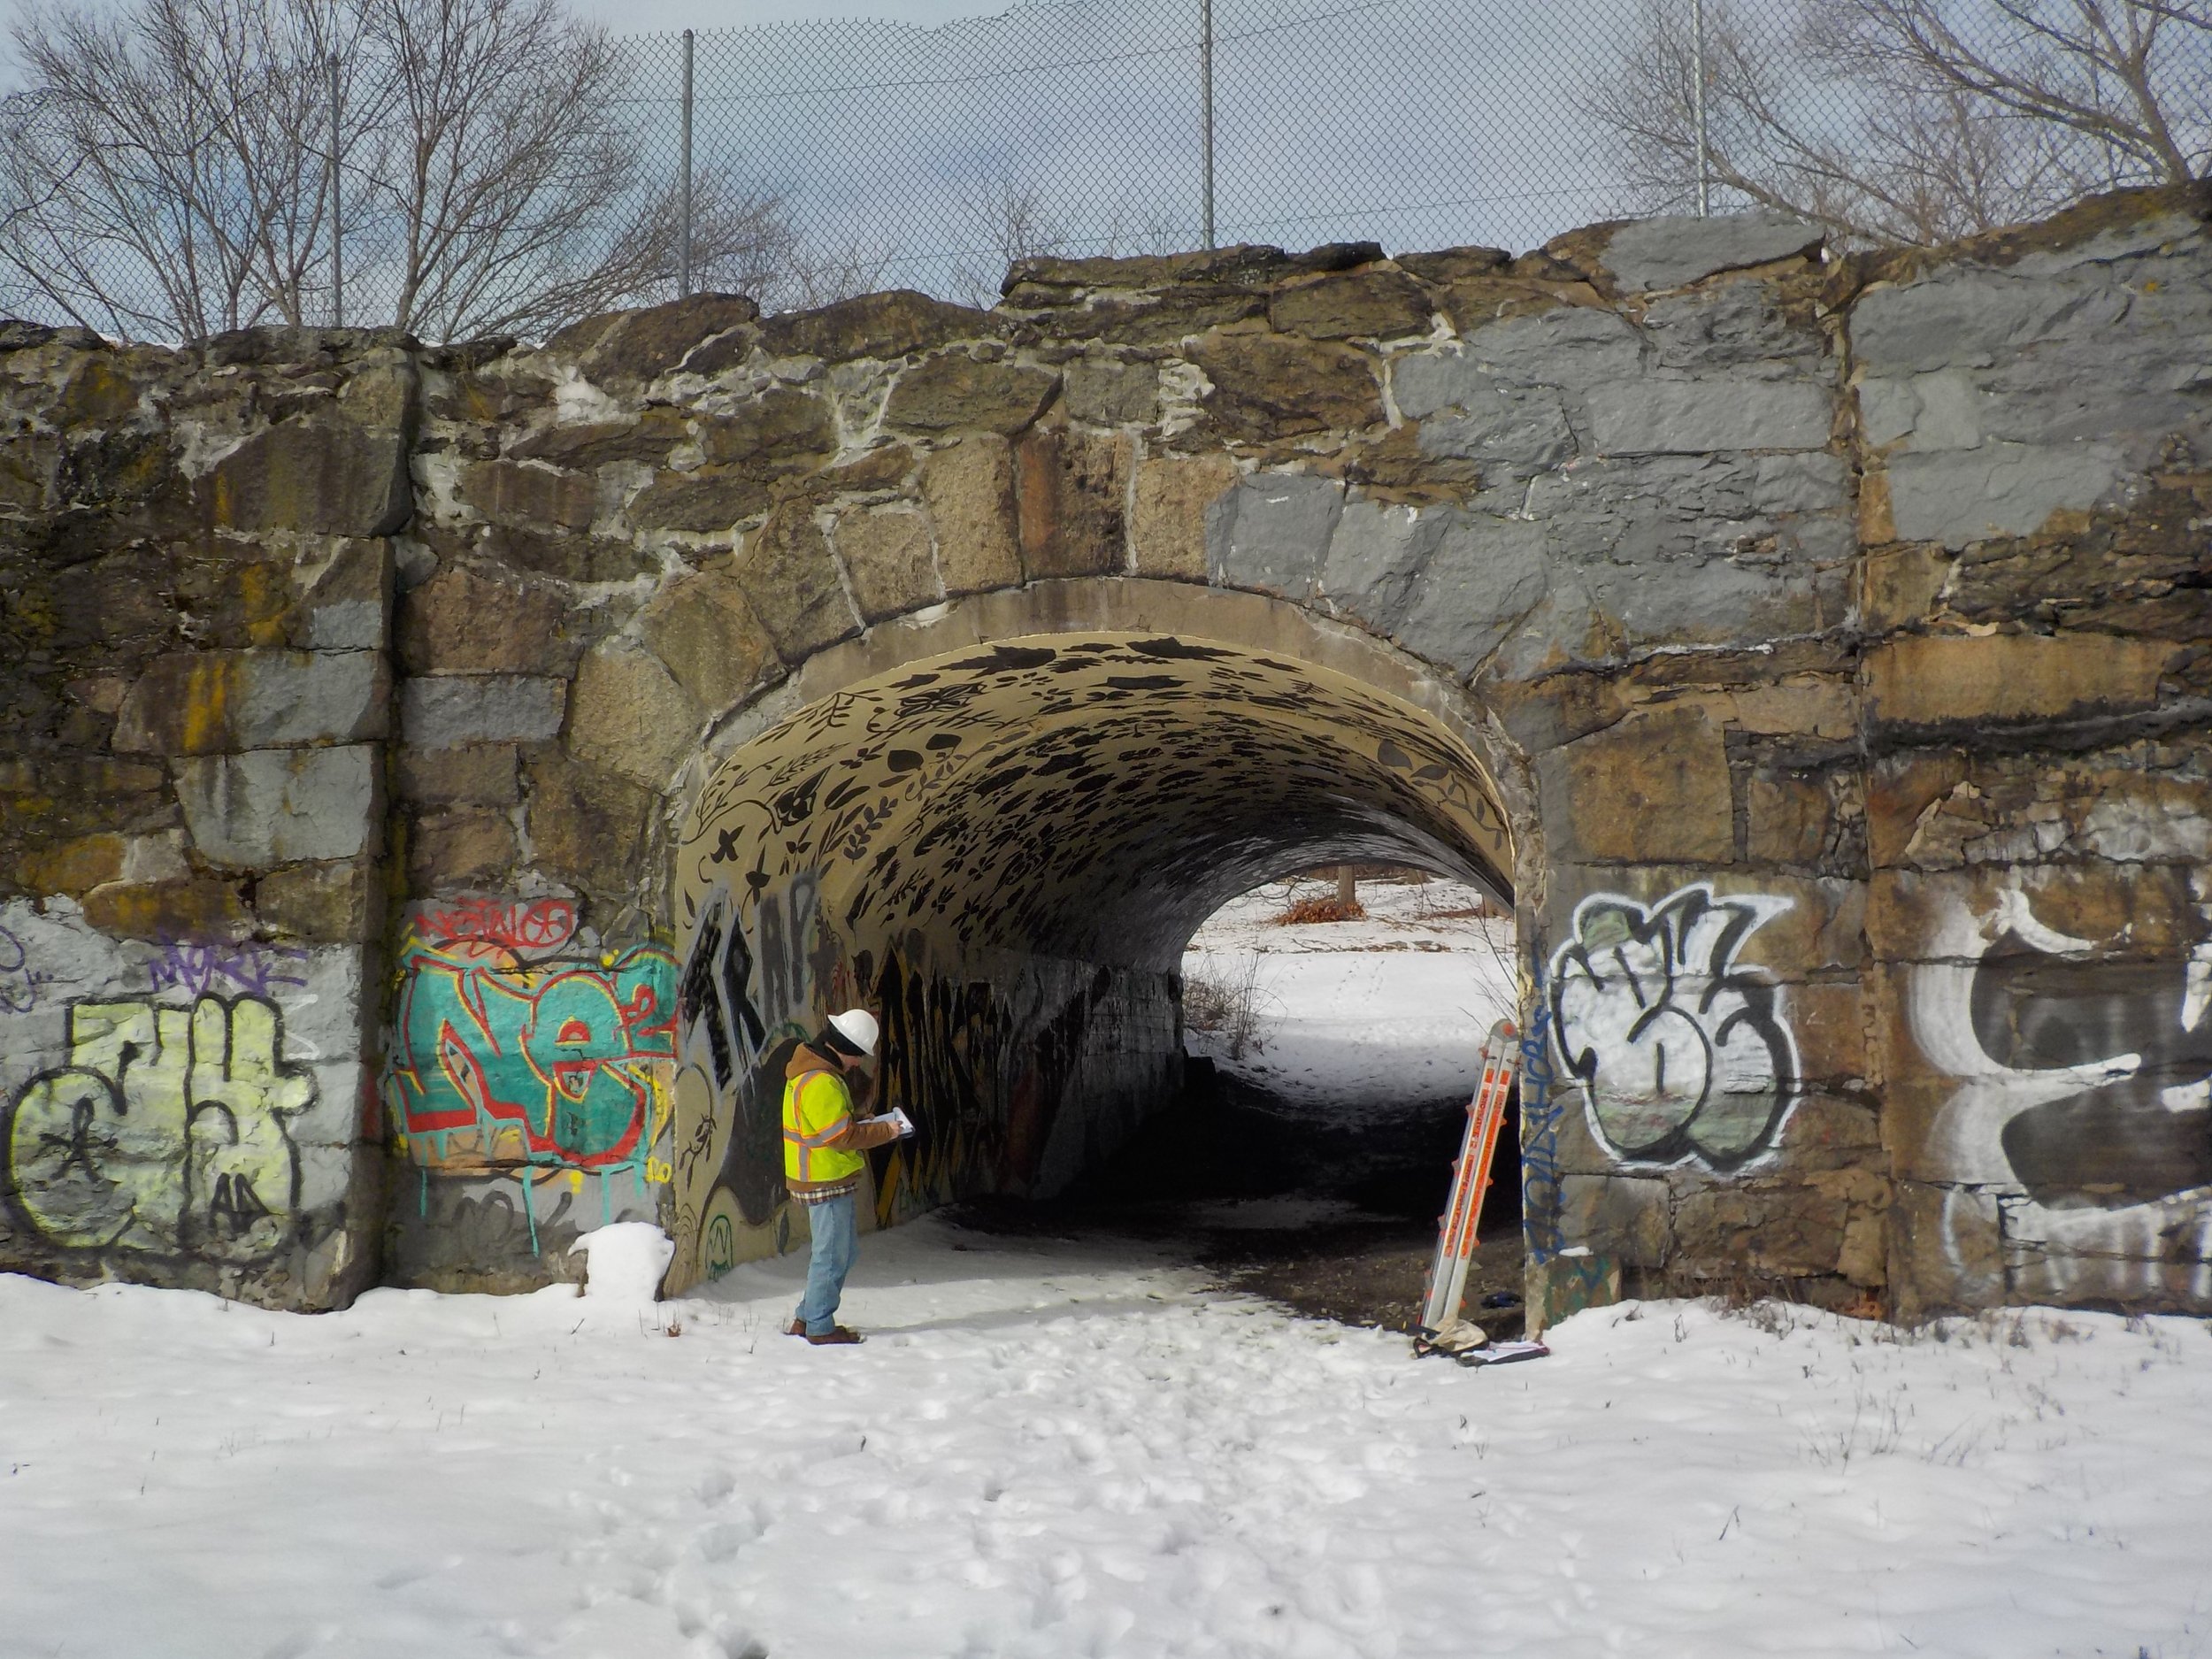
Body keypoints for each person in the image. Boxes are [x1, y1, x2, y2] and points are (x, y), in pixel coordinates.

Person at [782, 1007, 903, 1346]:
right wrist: (885, 1131)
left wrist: (863, 1120)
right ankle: (819, 1326)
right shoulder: (820, 1080)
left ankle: (807, 1317)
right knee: (833, 1254)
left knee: (841, 1252)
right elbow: (840, 1138)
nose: (857, 1064)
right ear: (845, 1048)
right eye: (858, 1056)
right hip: (825, 1179)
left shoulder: (818, 1073)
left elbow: (834, 1126)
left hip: (826, 1176)